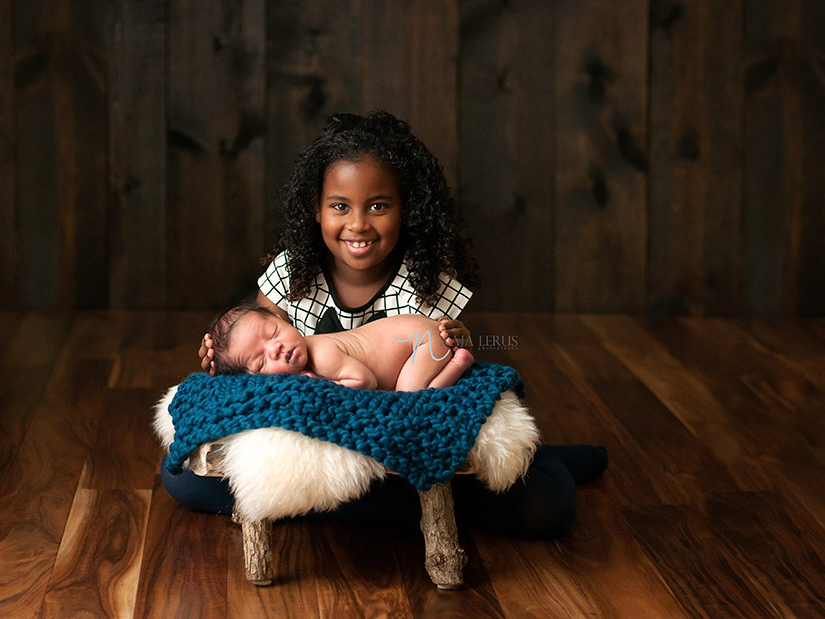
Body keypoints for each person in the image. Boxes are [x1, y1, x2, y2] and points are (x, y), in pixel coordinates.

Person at [162, 110, 607, 539]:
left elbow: (436, 368)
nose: (358, 224)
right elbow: (253, 354)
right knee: (181, 477)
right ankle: (400, 507)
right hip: (325, 446)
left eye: (377, 206)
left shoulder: (427, 280)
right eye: (339, 206)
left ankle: (351, 506)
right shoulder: (291, 273)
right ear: (315, 209)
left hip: (396, 436)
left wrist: (458, 339)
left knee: (547, 507)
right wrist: (223, 363)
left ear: (407, 209)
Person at [209, 303, 475, 390]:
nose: (275, 348)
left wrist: (322, 385)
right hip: (416, 337)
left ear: (283, 320)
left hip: (422, 341)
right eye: (261, 362)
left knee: (408, 397)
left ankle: (458, 364)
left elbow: (365, 381)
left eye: (274, 333)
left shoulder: (322, 355)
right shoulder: (303, 361)